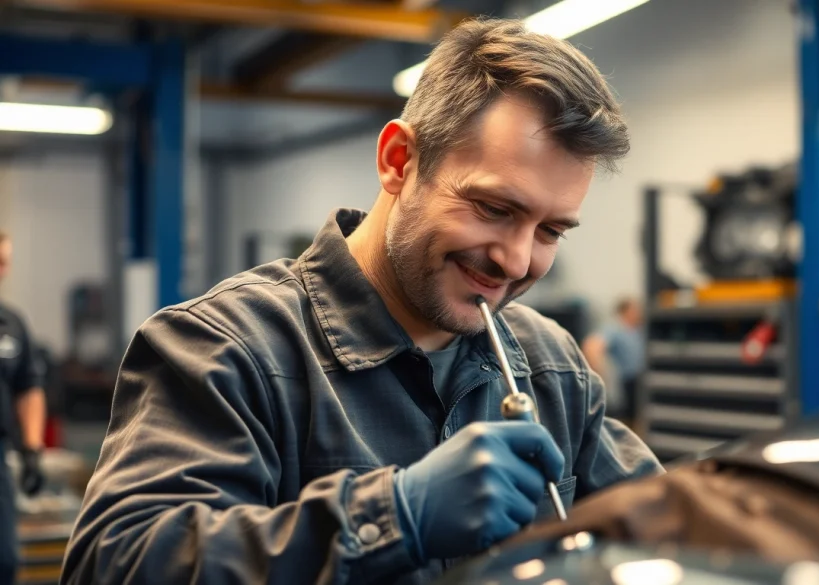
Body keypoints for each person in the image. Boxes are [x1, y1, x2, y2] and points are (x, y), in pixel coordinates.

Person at [61, 17, 663, 585]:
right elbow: (117, 561)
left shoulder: (548, 365)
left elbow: (661, 523)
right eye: (493, 209)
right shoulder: (226, 350)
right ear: (399, 161)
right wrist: (393, 517)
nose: (516, 259)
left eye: (550, 231)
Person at [0, 232, 47, 585]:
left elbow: (28, 389)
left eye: (4, 262)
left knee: (5, 559)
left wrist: (32, 450)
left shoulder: (11, 324)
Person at [582, 297, 645, 422]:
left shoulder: (637, 330)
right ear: (626, 311)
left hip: (639, 381)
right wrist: (600, 375)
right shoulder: (615, 328)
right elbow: (591, 346)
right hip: (625, 383)